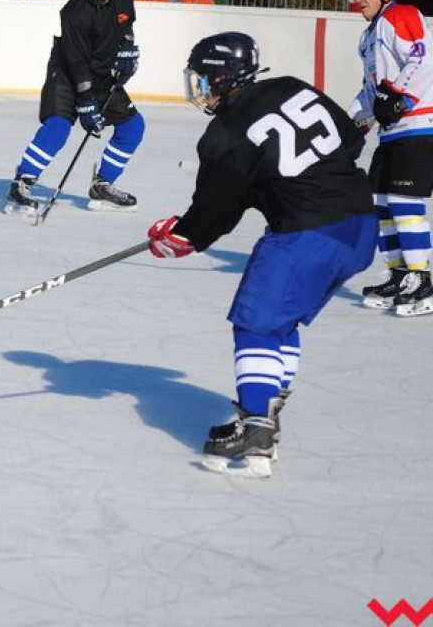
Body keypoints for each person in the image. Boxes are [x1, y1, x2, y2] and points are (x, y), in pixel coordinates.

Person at [147, 32, 376, 478]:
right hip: (360, 227)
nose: (201, 89)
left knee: (254, 322)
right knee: (280, 320)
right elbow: (350, 141)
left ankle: (257, 435)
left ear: (221, 76)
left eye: (204, 78)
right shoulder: (292, 86)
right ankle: (265, 409)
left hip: (308, 233)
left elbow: (213, 213)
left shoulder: (226, 133)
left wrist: (181, 235)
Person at [6, 0, 144, 214]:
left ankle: (103, 185)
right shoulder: (74, 13)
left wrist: (127, 47)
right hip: (67, 73)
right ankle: (22, 181)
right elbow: (76, 61)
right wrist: (86, 103)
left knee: (133, 127)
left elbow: (127, 23)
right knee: (58, 126)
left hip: (102, 73)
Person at [346, 0, 433, 317]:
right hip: (391, 133)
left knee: (403, 200)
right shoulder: (367, 37)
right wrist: (351, 123)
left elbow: (424, 58)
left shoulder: (401, 15)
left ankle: (422, 278)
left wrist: (399, 96)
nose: (358, 0)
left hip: (419, 127)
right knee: (379, 202)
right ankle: (399, 275)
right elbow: (372, 91)